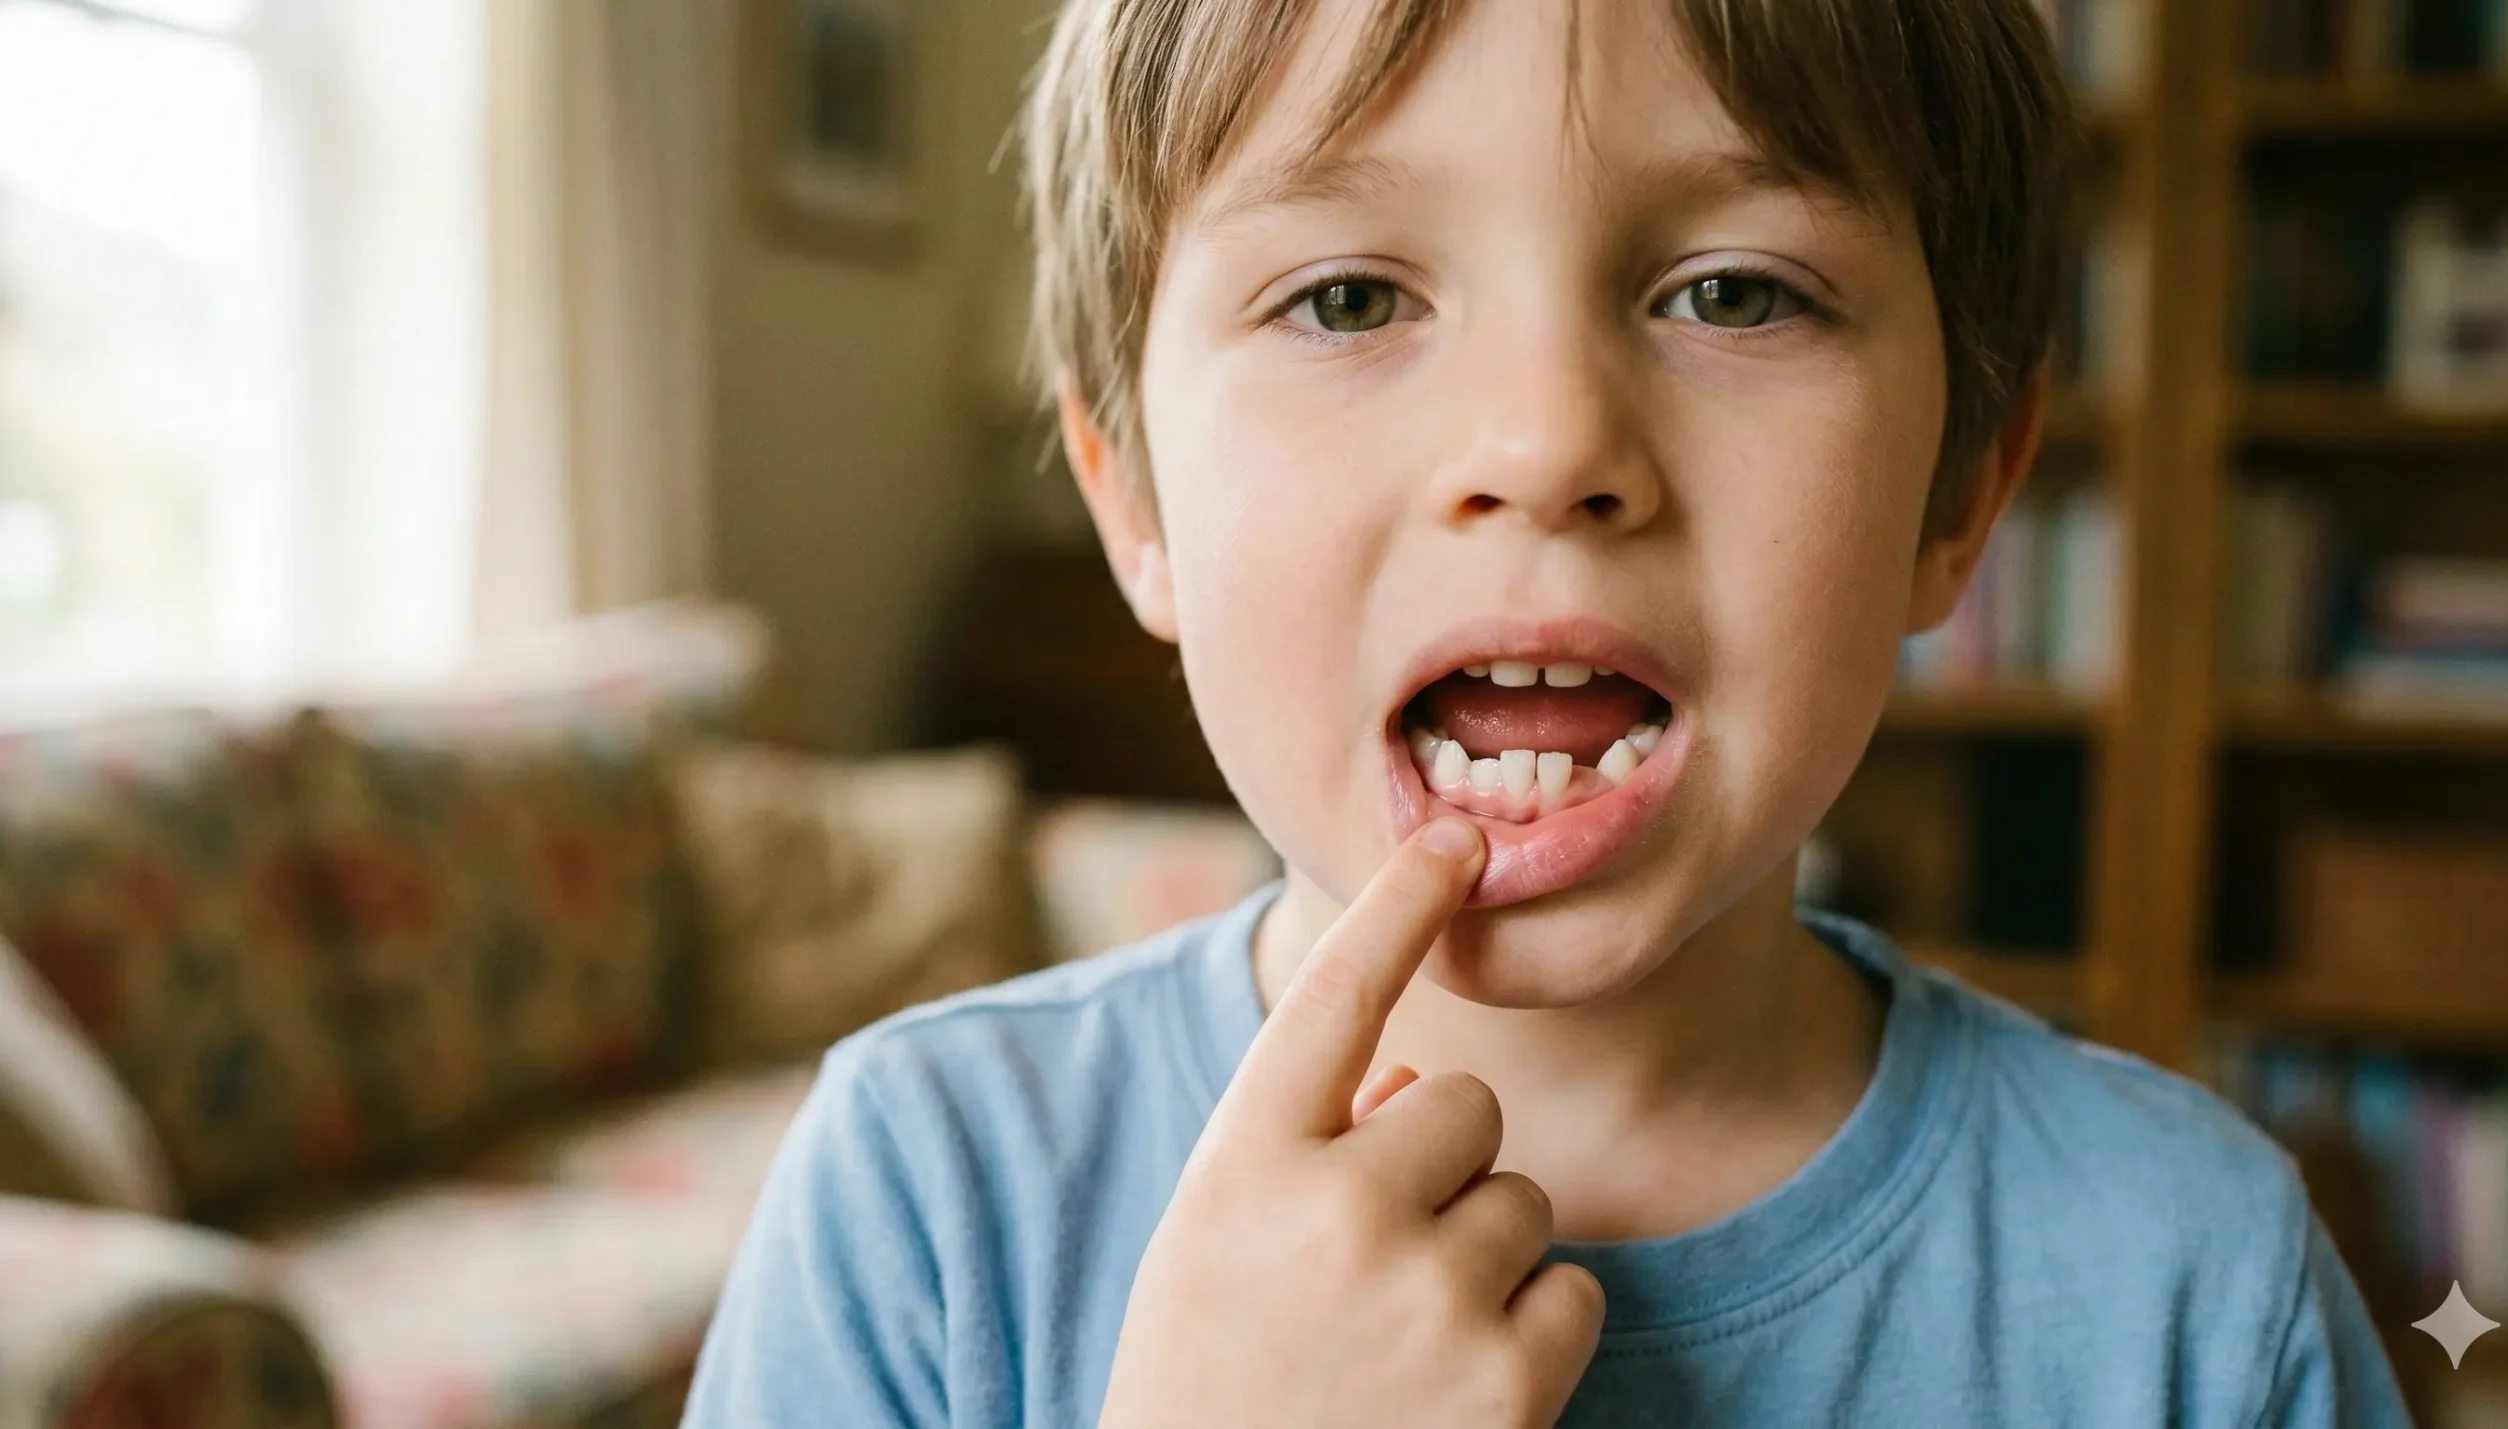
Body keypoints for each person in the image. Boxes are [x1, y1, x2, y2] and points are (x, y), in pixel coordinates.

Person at [684, 0, 2413, 1423]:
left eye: (1735, 291)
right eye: (1348, 297)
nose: (1547, 440)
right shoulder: (923, 1205)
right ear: (1129, 501)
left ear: (1963, 493)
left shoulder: (2200, 1291)